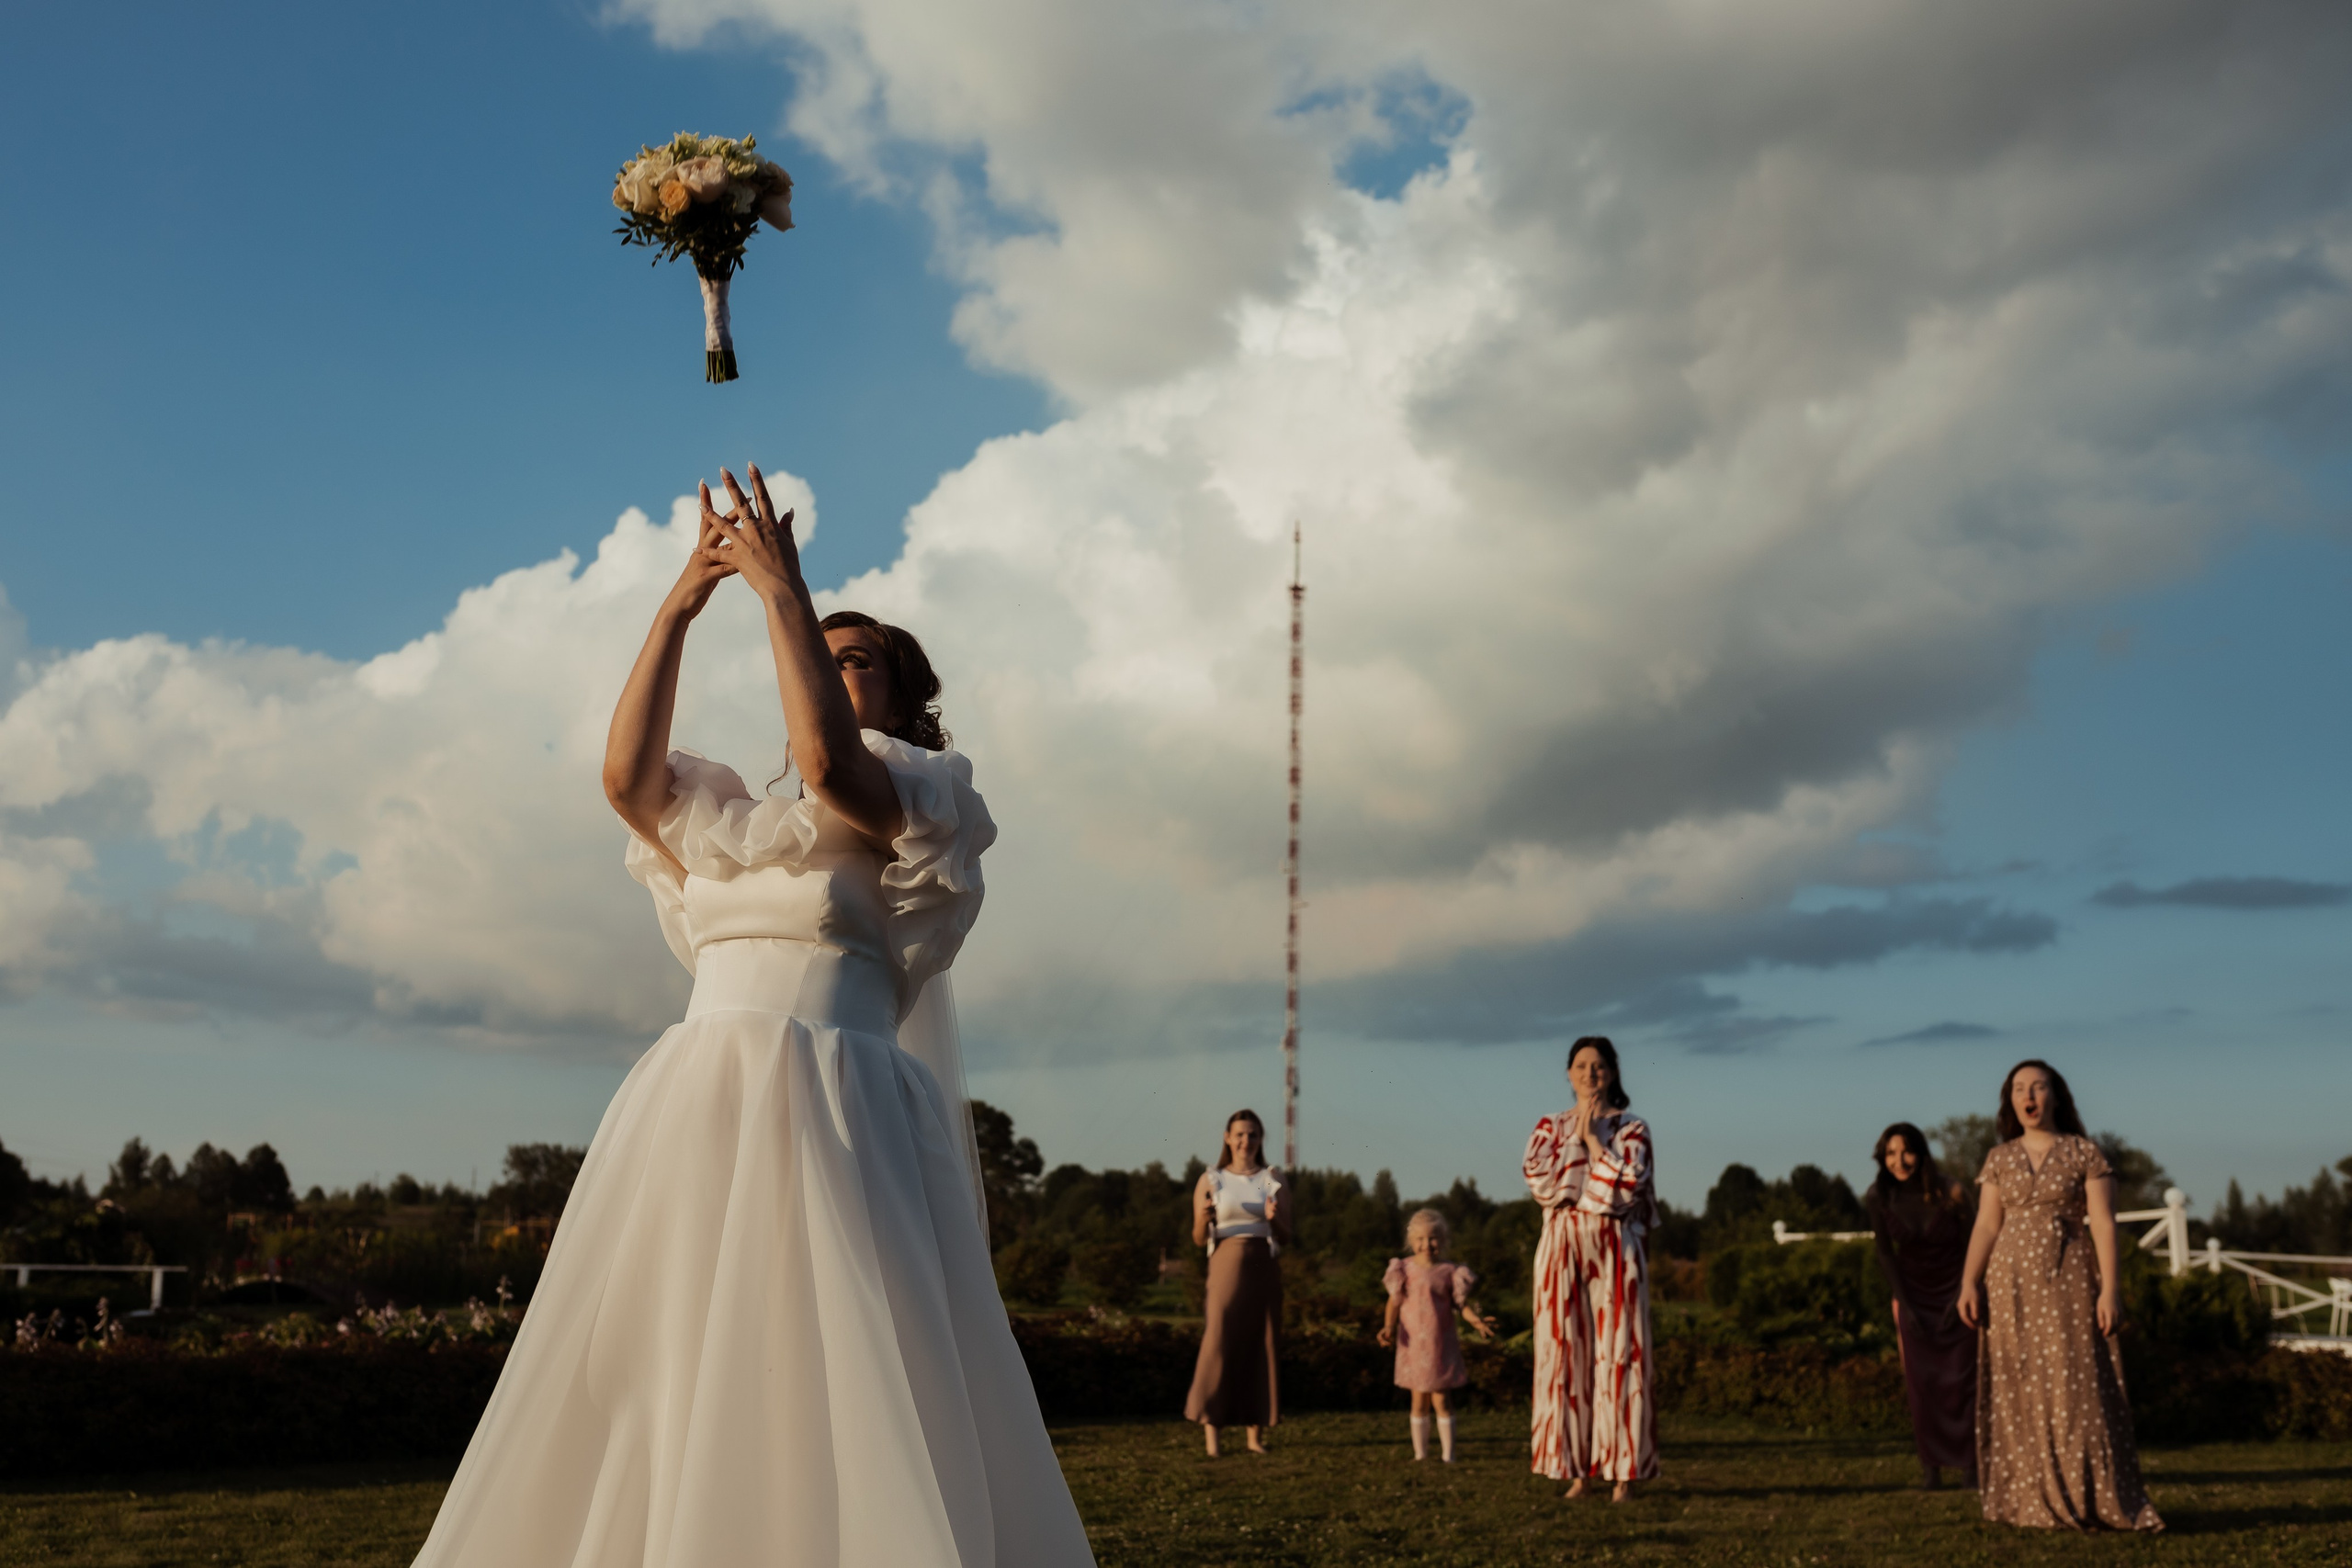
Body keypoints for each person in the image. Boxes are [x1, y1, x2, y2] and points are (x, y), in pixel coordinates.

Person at [412, 467, 1097, 1567]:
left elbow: (826, 759)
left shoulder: (921, 795)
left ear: (903, 693)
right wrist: (684, 600)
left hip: (834, 1105)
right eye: (815, 651)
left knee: (833, 1367)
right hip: (696, 1099)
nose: (827, 664)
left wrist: (785, 590)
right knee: (667, 1362)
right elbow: (626, 780)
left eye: (853, 656)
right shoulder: (734, 814)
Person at [1957, 1060, 2163, 1532]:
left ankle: (2088, 1496)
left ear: (2057, 1095)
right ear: (2010, 1101)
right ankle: (2026, 1497)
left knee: (2075, 1385)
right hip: (2008, 1285)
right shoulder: (1999, 1158)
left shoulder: (2084, 1153)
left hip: (2068, 1278)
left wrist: (2110, 1290)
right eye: (2019, 1089)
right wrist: (1969, 1281)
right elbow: (1987, 1224)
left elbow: (2104, 1224)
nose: (2029, 1096)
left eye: (2039, 1087)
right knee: (2018, 1383)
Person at [1522, 1036, 1657, 1501]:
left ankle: (1623, 1473)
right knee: (1564, 1356)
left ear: (1613, 1072)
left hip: (1616, 1246)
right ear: (1568, 1073)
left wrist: (1594, 1147)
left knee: (1620, 1356)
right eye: (1580, 1065)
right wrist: (1586, 1173)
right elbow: (1540, 1182)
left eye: (1599, 1065)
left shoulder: (1632, 1127)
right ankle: (1576, 1469)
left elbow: (1628, 1190)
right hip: (1561, 1246)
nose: (1589, 1073)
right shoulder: (1548, 1125)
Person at [1865, 1121, 1977, 1490]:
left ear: (1922, 1152)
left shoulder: (1953, 1192)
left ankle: (1970, 1466)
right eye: (1890, 1154)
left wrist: (1965, 1292)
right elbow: (1885, 1254)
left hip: (1957, 1291)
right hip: (1912, 1296)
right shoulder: (1879, 1197)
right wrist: (1904, 1303)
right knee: (1922, 1384)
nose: (1899, 1161)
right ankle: (1930, 1468)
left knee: (1964, 1380)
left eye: (1906, 1151)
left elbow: (1976, 1246)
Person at [1184, 1109, 1288, 1456]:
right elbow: (1199, 1238)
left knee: (1261, 1343)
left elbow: (1288, 1235)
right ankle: (1212, 1437)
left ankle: (1253, 1437)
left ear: (1261, 1140)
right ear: (1228, 1138)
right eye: (1240, 1134)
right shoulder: (1211, 1178)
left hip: (1264, 1266)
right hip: (1226, 1264)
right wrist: (1202, 1219)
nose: (1246, 1141)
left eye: (1253, 1135)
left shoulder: (1271, 1177)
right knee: (1219, 1341)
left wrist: (1275, 1221)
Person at [1377, 1208, 1497, 1461]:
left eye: (1432, 1238)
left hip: (1440, 1346)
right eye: (1420, 1239)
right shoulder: (1403, 1269)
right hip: (1413, 1346)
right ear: (1411, 1241)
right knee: (1418, 1400)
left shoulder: (1450, 1271)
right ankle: (1420, 1454)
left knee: (1442, 1400)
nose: (1426, 1244)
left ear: (1443, 1241)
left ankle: (1448, 1455)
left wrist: (1476, 1321)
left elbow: (1460, 1305)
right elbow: (1394, 1302)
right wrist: (1388, 1327)